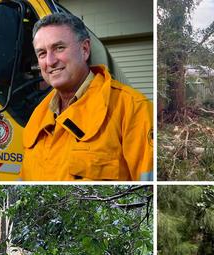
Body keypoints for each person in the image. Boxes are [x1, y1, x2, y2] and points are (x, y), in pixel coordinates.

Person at [21, 13, 153, 181]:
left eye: (59, 48)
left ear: (84, 50)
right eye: (42, 53)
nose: (50, 61)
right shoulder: (37, 118)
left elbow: (149, 184)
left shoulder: (132, 107)